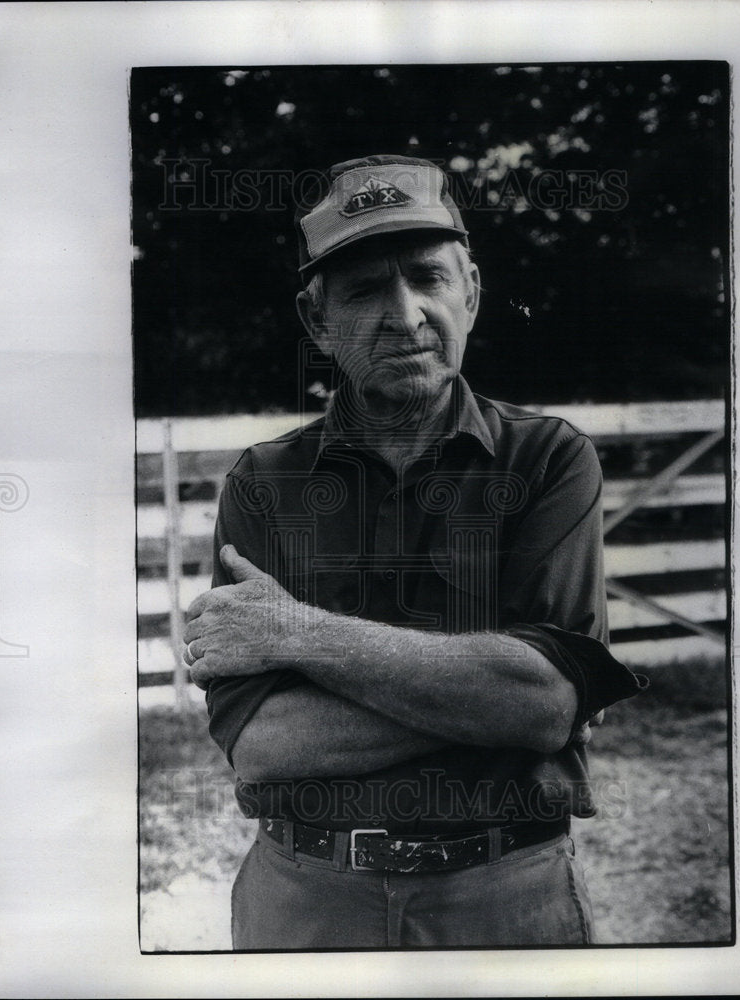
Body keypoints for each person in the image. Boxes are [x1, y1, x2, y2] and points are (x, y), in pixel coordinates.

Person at [183, 154, 646, 949]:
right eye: (365, 290)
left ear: (470, 288)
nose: (406, 314)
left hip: (506, 898)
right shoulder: (262, 483)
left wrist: (297, 636)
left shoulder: (548, 461)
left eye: (428, 278)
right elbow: (262, 746)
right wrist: (503, 689)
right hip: (305, 901)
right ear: (316, 319)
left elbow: (542, 706)